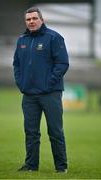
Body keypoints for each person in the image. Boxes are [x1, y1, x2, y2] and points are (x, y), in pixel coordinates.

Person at [13, 7, 69, 173]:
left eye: (34, 18)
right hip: (29, 95)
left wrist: (48, 83)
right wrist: (20, 83)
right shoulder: (21, 40)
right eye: (28, 19)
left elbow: (62, 64)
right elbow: (16, 64)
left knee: (55, 131)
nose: (31, 21)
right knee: (31, 132)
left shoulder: (54, 38)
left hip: (50, 93)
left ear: (41, 20)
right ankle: (31, 166)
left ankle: (61, 168)